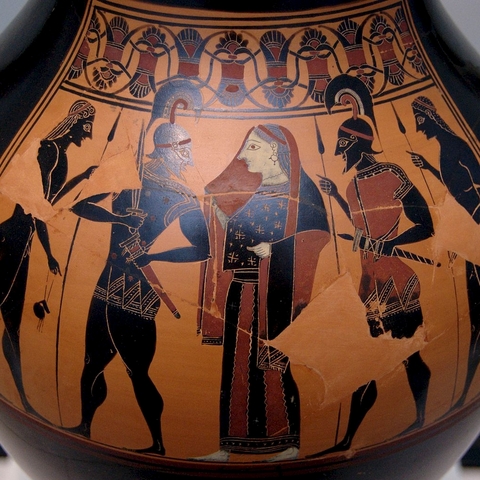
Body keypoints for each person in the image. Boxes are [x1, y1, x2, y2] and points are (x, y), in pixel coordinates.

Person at [67, 116, 210, 455]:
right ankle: (85, 425)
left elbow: (203, 248)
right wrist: (118, 217)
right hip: (106, 283)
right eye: (184, 151)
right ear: (167, 149)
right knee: (92, 361)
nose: (188, 159)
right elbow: (79, 204)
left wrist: (153, 255)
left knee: (138, 372)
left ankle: (158, 443)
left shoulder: (181, 196)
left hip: (140, 292)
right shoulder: (127, 174)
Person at [195, 124, 331, 462]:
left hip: (276, 292)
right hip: (242, 289)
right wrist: (220, 216)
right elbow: (245, 232)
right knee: (236, 365)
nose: (243, 156)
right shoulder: (257, 189)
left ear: (275, 149)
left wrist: (276, 250)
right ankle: (230, 445)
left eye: (252, 147)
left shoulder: (300, 190)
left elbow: (317, 237)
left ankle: (289, 443)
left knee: (274, 361)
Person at [310, 114, 434, 457]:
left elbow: (426, 223)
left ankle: (420, 420)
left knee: (409, 356)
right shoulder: (351, 185)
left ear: (356, 143)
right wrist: (337, 196)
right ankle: (349, 441)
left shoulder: (392, 173)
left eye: (343, 144)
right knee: (365, 365)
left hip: (396, 282)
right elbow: (361, 228)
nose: (339, 152)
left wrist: (393, 243)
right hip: (369, 286)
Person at [0, 99, 96, 415]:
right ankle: (24, 400)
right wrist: (51, 254)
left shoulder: (59, 154)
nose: (89, 134)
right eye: (86, 127)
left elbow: (50, 201)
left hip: (21, 239)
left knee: (12, 325)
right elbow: (36, 208)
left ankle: (24, 399)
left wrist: (83, 178)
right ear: (75, 123)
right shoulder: (50, 151)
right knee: (10, 320)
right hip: (14, 237)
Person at [409, 95, 480, 409]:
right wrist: (427, 167)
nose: (418, 127)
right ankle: (463, 392)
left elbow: (476, 184)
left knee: (477, 316)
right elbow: (455, 187)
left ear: (431, 117)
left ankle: (464, 393)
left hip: (474, 231)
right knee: (475, 315)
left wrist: (471, 224)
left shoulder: (455, 144)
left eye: (420, 120)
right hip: (466, 233)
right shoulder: (444, 147)